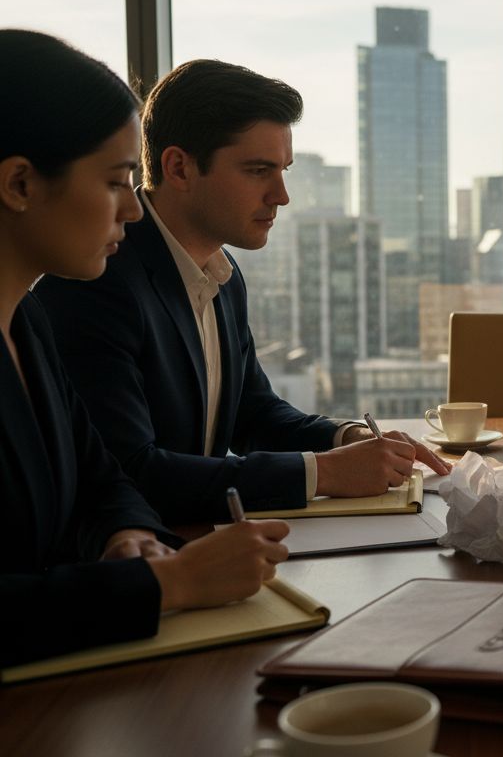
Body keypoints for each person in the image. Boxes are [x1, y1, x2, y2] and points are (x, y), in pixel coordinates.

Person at [34, 58, 449, 524]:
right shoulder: (98, 283)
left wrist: (345, 437)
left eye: (284, 169)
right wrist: (322, 474)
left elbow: (252, 413)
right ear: (179, 168)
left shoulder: (221, 272)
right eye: (258, 171)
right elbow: (132, 472)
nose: (282, 195)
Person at [0, 30, 291, 667]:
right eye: (115, 181)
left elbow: (102, 478)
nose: (133, 210)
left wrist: (127, 533)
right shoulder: (77, 301)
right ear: (20, 183)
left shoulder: (25, 323)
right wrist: (169, 582)